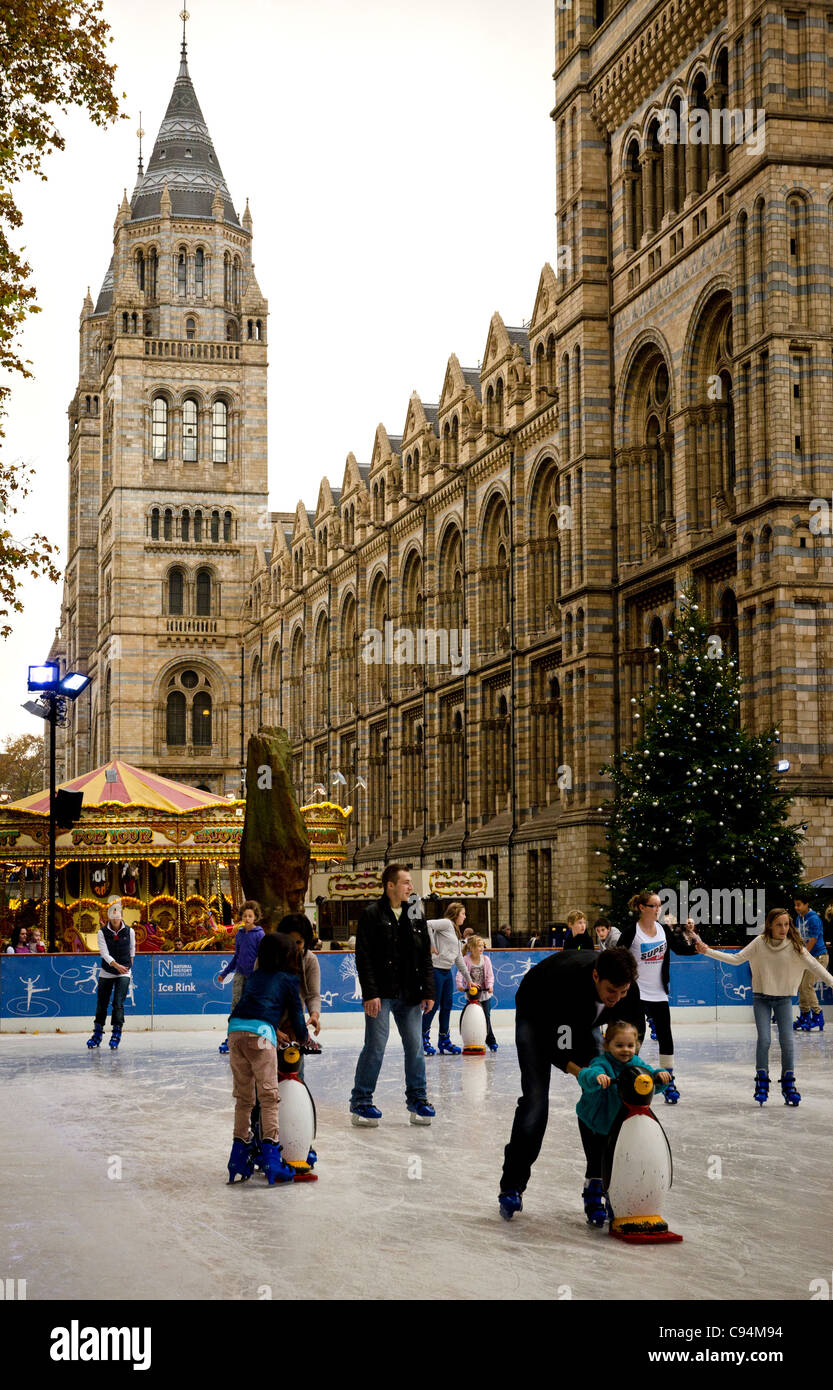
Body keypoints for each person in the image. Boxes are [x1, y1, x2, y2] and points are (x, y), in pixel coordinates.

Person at [498, 947, 644, 1220]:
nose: (617, 998)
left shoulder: (626, 989)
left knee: (603, 1096)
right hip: (537, 1013)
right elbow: (553, 1046)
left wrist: (627, 1070)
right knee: (535, 1100)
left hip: (583, 1017)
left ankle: (596, 1180)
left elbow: (635, 1030)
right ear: (595, 976)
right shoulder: (564, 985)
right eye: (611, 990)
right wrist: (582, 1073)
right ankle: (512, 1185)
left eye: (622, 992)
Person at [695, 908, 833, 1105]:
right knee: (765, 1039)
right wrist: (707, 951)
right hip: (761, 997)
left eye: (786, 924)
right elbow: (736, 959)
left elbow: (815, 966)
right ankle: (761, 1081)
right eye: (779, 924)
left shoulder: (795, 946)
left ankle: (788, 1083)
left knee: (787, 1041)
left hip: (784, 998)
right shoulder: (760, 942)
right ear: (770, 925)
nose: (783, 929)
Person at [349, 864, 435, 1127]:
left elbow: (424, 956)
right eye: (406, 882)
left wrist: (428, 990)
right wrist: (371, 993)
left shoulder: (414, 912)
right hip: (382, 994)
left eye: (410, 883)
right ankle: (362, 1101)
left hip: (410, 992)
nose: (411, 887)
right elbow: (364, 958)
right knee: (375, 1046)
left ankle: (417, 1098)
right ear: (390, 886)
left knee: (415, 1046)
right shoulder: (372, 914)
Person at [226, 932, 309, 1185]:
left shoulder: (253, 977)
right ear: (286, 957)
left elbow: (254, 1009)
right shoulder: (288, 980)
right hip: (261, 1037)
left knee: (244, 1098)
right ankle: (272, 1158)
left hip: (235, 1032)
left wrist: (274, 1032)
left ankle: (238, 1157)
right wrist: (305, 1040)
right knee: (269, 1096)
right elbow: (296, 1017)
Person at [575, 1019, 670, 1225]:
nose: (625, 1050)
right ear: (607, 1045)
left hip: (618, 1125)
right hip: (594, 1122)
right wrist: (596, 1077)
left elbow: (648, 1081)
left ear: (636, 1046)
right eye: (619, 1045)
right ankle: (592, 1200)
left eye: (630, 1045)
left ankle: (613, 1198)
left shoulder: (637, 1064)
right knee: (597, 1162)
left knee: (616, 1164)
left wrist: (659, 1078)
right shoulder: (602, 1063)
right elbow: (585, 1075)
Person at [616, 890, 698, 1103]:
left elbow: (680, 949)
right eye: (653, 905)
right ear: (642, 908)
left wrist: (697, 945)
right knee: (637, 1037)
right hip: (636, 993)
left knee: (665, 1036)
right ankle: (632, 1074)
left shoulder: (663, 930)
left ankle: (668, 1079)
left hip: (659, 992)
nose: (658, 909)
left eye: (659, 905)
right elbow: (617, 957)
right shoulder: (632, 932)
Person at [215, 900, 265, 1054]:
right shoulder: (239, 935)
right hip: (240, 974)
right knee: (236, 1005)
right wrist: (224, 973)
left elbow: (262, 956)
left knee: (253, 1005)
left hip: (255, 976)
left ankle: (255, 1035)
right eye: (245, 916)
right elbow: (236, 957)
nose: (247, 918)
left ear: (255, 917)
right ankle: (232, 1036)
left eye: (250, 916)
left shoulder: (260, 935)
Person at [423, 901, 472, 1055]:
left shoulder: (456, 932)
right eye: (463, 913)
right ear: (456, 913)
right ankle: (422, 1038)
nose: (465, 916)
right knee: (433, 1005)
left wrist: (469, 979)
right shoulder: (446, 923)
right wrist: (431, 945)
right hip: (436, 970)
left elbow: (458, 958)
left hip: (446, 972)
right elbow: (427, 924)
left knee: (447, 1006)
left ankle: (444, 1039)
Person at [87, 897, 135, 1050]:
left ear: (121, 915)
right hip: (107, 971)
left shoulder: (130, 931)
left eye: (118, 914)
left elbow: (132, 948)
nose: (115, 919)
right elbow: (104, 953)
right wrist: (116, 965)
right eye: (112, 915)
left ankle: (116, 1032)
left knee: (118, 1002)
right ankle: (97, 1033)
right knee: (102, 1003)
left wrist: (130, 961)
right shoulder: (102, 932)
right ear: (109, 916)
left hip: (124, 973)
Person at [277, 912, 322, 1069]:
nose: (293, 947)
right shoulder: (267, 958)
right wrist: (271, 1029)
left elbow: (313, 994)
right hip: (268, 1024)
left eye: (299, 942)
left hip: (294, 1024)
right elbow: (258, 999)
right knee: (267, 1075)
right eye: (289, 941)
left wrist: (314, 1014)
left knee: (294, 1070)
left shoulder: (309, 960)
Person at [793, 894, 828, 1031]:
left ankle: (818, 1016)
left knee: (807, 985)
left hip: (818, 957)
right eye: (795, 904)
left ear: (806, 904)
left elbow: (813, 939)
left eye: (799, 904)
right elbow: (799, 937)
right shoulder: (798, 919)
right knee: (801, 986)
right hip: (807, 958)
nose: (796, 907)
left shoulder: (813, 919)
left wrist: (803, 954)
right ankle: (805, 1015)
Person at [456, 935, 497, 1050]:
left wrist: (489, 986)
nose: (481, 948)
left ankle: (491, 1041)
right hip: (471, 994)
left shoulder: (486, 960)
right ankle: (470, 1037)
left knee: (486, 1016)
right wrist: (460, 985)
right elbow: (460, 973)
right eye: (478, 946)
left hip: (484, 994)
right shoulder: (466, 960)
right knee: (470, 1015)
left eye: (482, 946)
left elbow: (490, 975)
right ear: (472, 948)